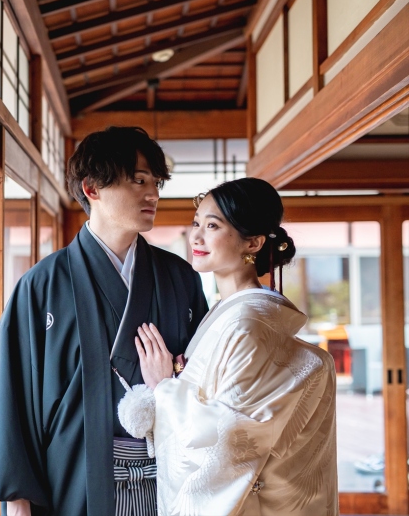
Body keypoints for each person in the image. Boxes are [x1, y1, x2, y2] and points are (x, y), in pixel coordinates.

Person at [0, 127, 209, 515]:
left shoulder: (180, 278)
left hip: (170, 481)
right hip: (74, 482)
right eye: (139, 181)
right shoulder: (42, 285)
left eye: (156, 183)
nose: (153, 194)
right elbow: (12, 398)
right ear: (91, 188)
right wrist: (18, 505)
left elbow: (210, 383)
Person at [118, 178, 338, 515]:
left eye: (212, 225)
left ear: (252, 242)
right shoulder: (228, 311)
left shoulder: (247, 322)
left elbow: (229, 440)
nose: (196, 236)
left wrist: (163, 387)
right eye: (196, 223)